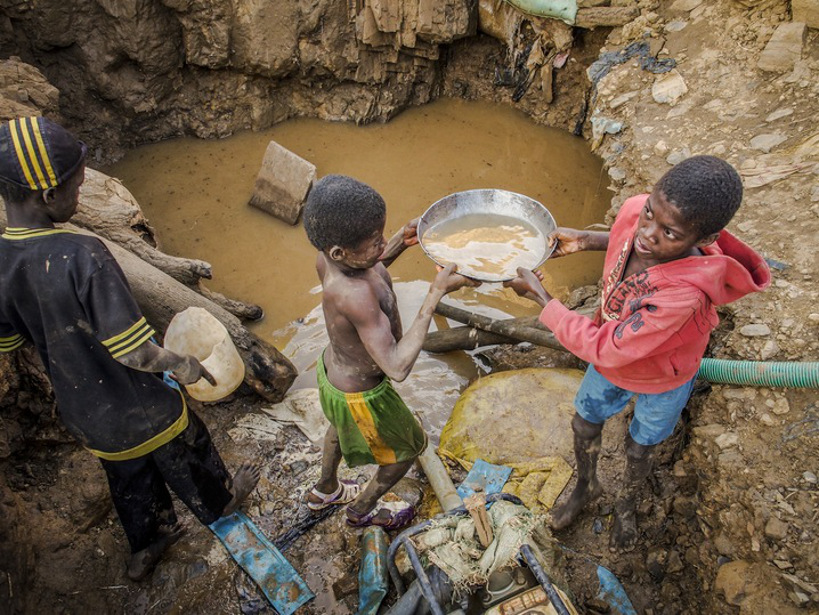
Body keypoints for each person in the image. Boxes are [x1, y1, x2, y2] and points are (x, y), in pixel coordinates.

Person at [0, 116, 261, 581]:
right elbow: (135, 354)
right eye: (77, 188)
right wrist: (184, 366)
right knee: (190, 453)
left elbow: (11, 340)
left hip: (84, 410)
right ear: (48, 196)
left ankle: (149, 543)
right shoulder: (84, 255)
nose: (80, 196)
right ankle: (224, 502)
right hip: (143, 408)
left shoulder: (3, 259)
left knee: (128, 480)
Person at [504, 155, 770, 550]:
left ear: (703, 240)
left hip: (664, 376)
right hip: (614, 361)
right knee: (584, 422)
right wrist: (586, 240)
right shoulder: (636, 212)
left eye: (669, 232)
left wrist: (545, 301)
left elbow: (604, 347)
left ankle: (626, 502)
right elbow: (625, 237)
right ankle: (586, 485)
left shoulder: (683, 295)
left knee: (640, 445)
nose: (648, 233)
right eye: (649, 214)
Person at [302, 174, 476, 530]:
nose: (382, 243)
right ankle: (361, 510)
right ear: (339, 252)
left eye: (383, 234)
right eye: (375, 241)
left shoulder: (332, 260)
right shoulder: (355, 296)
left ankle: (326, 488)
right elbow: (396, 367)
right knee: (407, 451)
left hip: (332, 373)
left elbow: (369, 268)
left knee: (338, 424)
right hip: (362, 395)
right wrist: (435, 294)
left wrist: (399, 242)